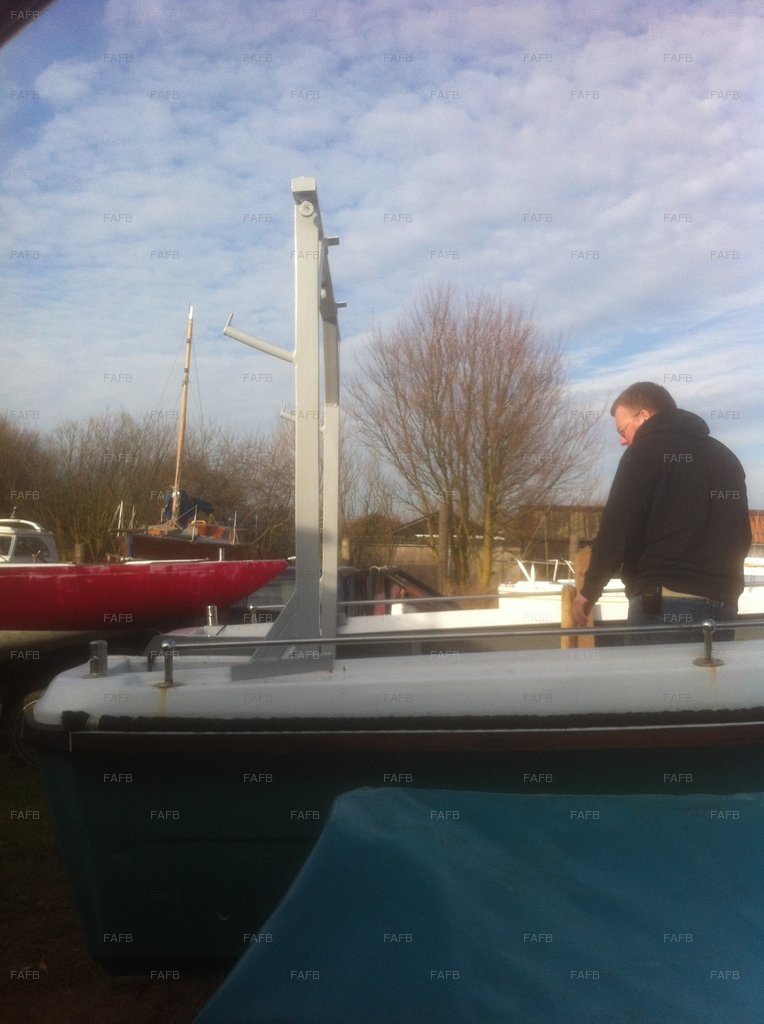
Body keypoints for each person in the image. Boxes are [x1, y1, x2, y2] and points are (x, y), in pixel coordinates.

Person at [573, 382, 751, 642]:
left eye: (622, 430)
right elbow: (742, 537)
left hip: (663, 605)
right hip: (723, 609)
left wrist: (589, 592)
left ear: (644, 416)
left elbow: (618, 529)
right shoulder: (727, 458)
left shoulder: (644, 451)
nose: (622, 440)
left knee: (654, 672)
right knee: (709, 671)